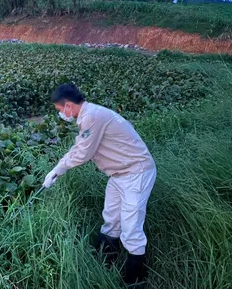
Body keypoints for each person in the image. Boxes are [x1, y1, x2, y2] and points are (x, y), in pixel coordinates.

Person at [44, 83, 157, 285]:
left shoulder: (92, 116)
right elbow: (80, 147)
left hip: (136, 172)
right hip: (119, 174)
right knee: (111, 219)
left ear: (68, 105)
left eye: (60, 110)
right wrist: (57, 168)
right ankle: (104, 262)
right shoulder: (89, 114)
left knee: (131, 227)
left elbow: (82, 153)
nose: (61, 114)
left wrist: (58, 170)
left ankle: (135, 279)